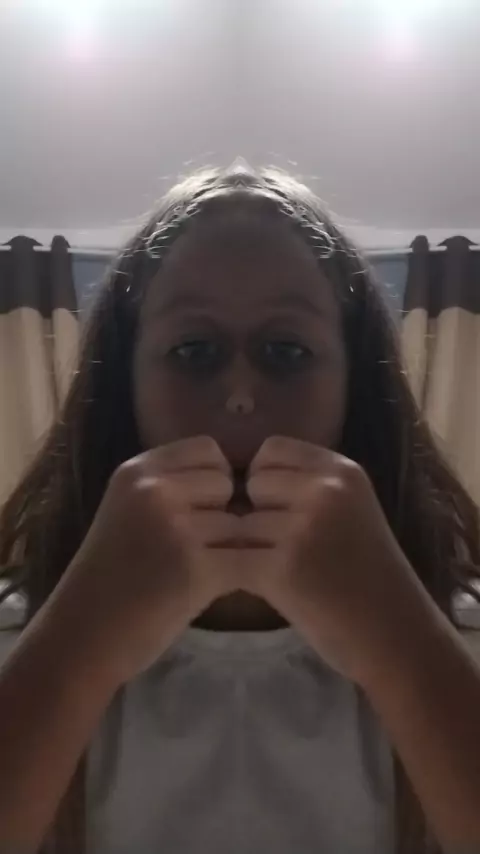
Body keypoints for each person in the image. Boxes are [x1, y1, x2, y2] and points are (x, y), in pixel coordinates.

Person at [0, 163, 479, 854]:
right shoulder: (20, 639)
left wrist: (405, 649)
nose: (241, 395)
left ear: (355, 387)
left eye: (287, 351)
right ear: (125, 385)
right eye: (193, 351)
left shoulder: (461, 638)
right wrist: (74, 650)